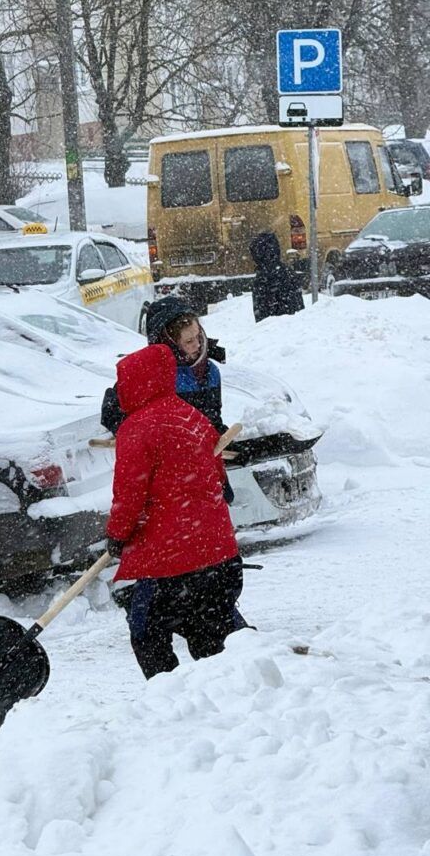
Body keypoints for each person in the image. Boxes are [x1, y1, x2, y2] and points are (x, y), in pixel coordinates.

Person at [104, 343, 248, 679]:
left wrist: (117, 534)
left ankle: (167, 702)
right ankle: (240, 693)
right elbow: (216, 474)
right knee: (215, 639)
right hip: (218, 556)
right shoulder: (192, 417)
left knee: (147, 633)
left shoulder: (136, 429)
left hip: (169, 563)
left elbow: (128, 495)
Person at [101, 296, 227, 436]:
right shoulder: (147, 373)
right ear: (171, 344)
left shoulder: (209, 372)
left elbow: (212, 422)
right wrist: (144, 435)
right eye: (189, 341)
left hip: (197, 453)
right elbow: (111, 411)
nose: (198, 344)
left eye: (199, 336)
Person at [250, 231, 305, 322]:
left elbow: (261, 317)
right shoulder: (288, 272)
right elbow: (299, 307)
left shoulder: (261, 280)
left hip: (273, 330)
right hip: (295, 328)